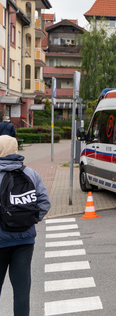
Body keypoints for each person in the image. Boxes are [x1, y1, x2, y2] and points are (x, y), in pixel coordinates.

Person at [0, 134, 50, 316]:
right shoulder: (31, 174)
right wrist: (29, 221)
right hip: (25, 240)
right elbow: (45, 203)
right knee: (22, 292)